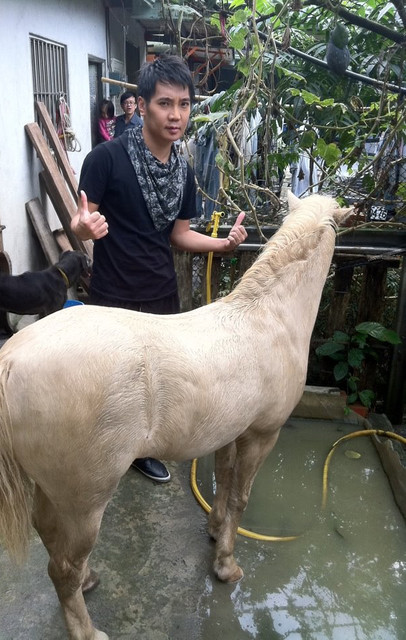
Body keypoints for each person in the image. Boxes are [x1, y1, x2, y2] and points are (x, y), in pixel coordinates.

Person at [71, 54, 247, 483]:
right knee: (110, 383)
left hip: (162, 295)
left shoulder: (182, 171)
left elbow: (179, 235)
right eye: (165, 103)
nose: (176, 115)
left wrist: (222, 244)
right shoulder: (106, 158)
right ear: (143, 104)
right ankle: (101, 452)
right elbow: (81, 219)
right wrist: (83, 228)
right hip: (113, 295)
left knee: (154, 385)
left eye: (184, 104)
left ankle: (142, 451)